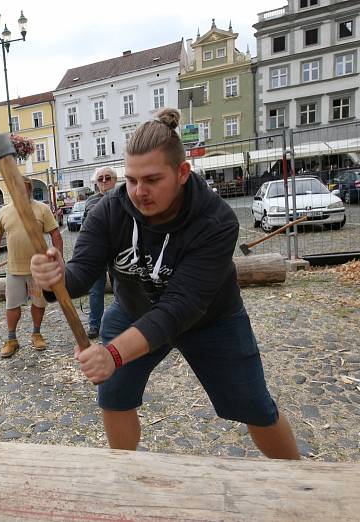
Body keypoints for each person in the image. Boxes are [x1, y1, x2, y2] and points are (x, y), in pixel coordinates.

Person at [30, 108, 299, 459]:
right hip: (133, 312)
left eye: (153, 180)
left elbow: (178, 309)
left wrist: (112, 353)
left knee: (254, 407)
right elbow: (82, 272)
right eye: (131, 180)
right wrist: (55, 278)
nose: (139, 192)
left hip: (211, 321)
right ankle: (126, 479)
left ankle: (301, 484)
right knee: (113, 397)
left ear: (182, 172)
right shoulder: (109, 212)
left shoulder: (216, 221)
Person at [0, 175, 63, 358]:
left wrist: (57, 257)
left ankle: (36, 333)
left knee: (39, 302)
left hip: (38, 270)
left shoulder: (42, 209)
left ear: (29, 189)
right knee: (12, 305)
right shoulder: (4, 212)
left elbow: (55, 234)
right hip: (14, 269)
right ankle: (12, 339)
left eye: (24, 188)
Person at [83, 167, 117, 340]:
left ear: (115, 180)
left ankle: (124, 320)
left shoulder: (122, 198)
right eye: (100, 178)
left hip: (118, 252)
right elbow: (84, 228)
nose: (104, 181)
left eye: (107, 178)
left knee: (122, 288)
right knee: (95, 291)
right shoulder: (90, 201)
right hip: (96, 252)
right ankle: (95, 324)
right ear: (96, 182)